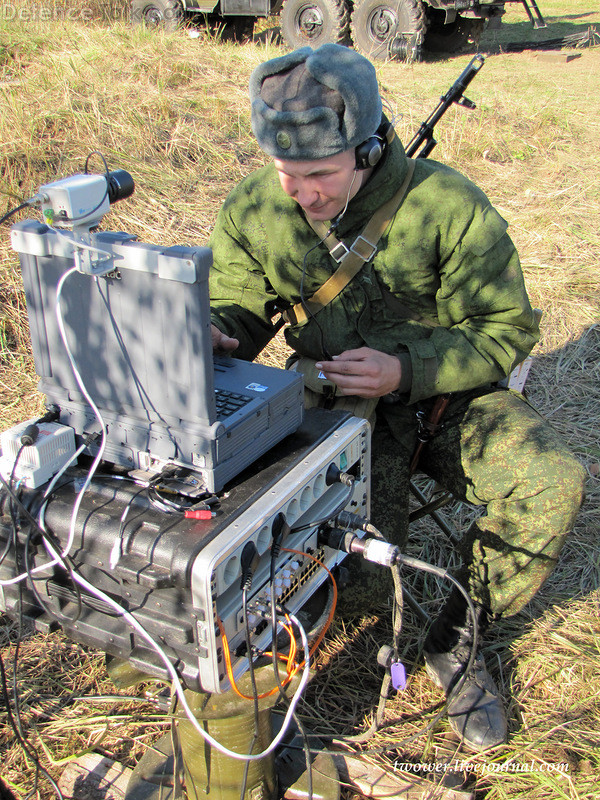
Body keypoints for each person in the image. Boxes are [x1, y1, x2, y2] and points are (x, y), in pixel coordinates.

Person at [207, 44, 585, 751]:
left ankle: (458, 637)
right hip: (333, 410)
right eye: (287, 172)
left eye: (319, 173)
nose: (301, 193)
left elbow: (506, 329)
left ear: (370, 148)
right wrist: (219, 332)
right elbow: (237, 304)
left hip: (446, 400)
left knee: (553, 484)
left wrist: (404, 369)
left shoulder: (446, 206)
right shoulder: (257, 207)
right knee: (365, 593)